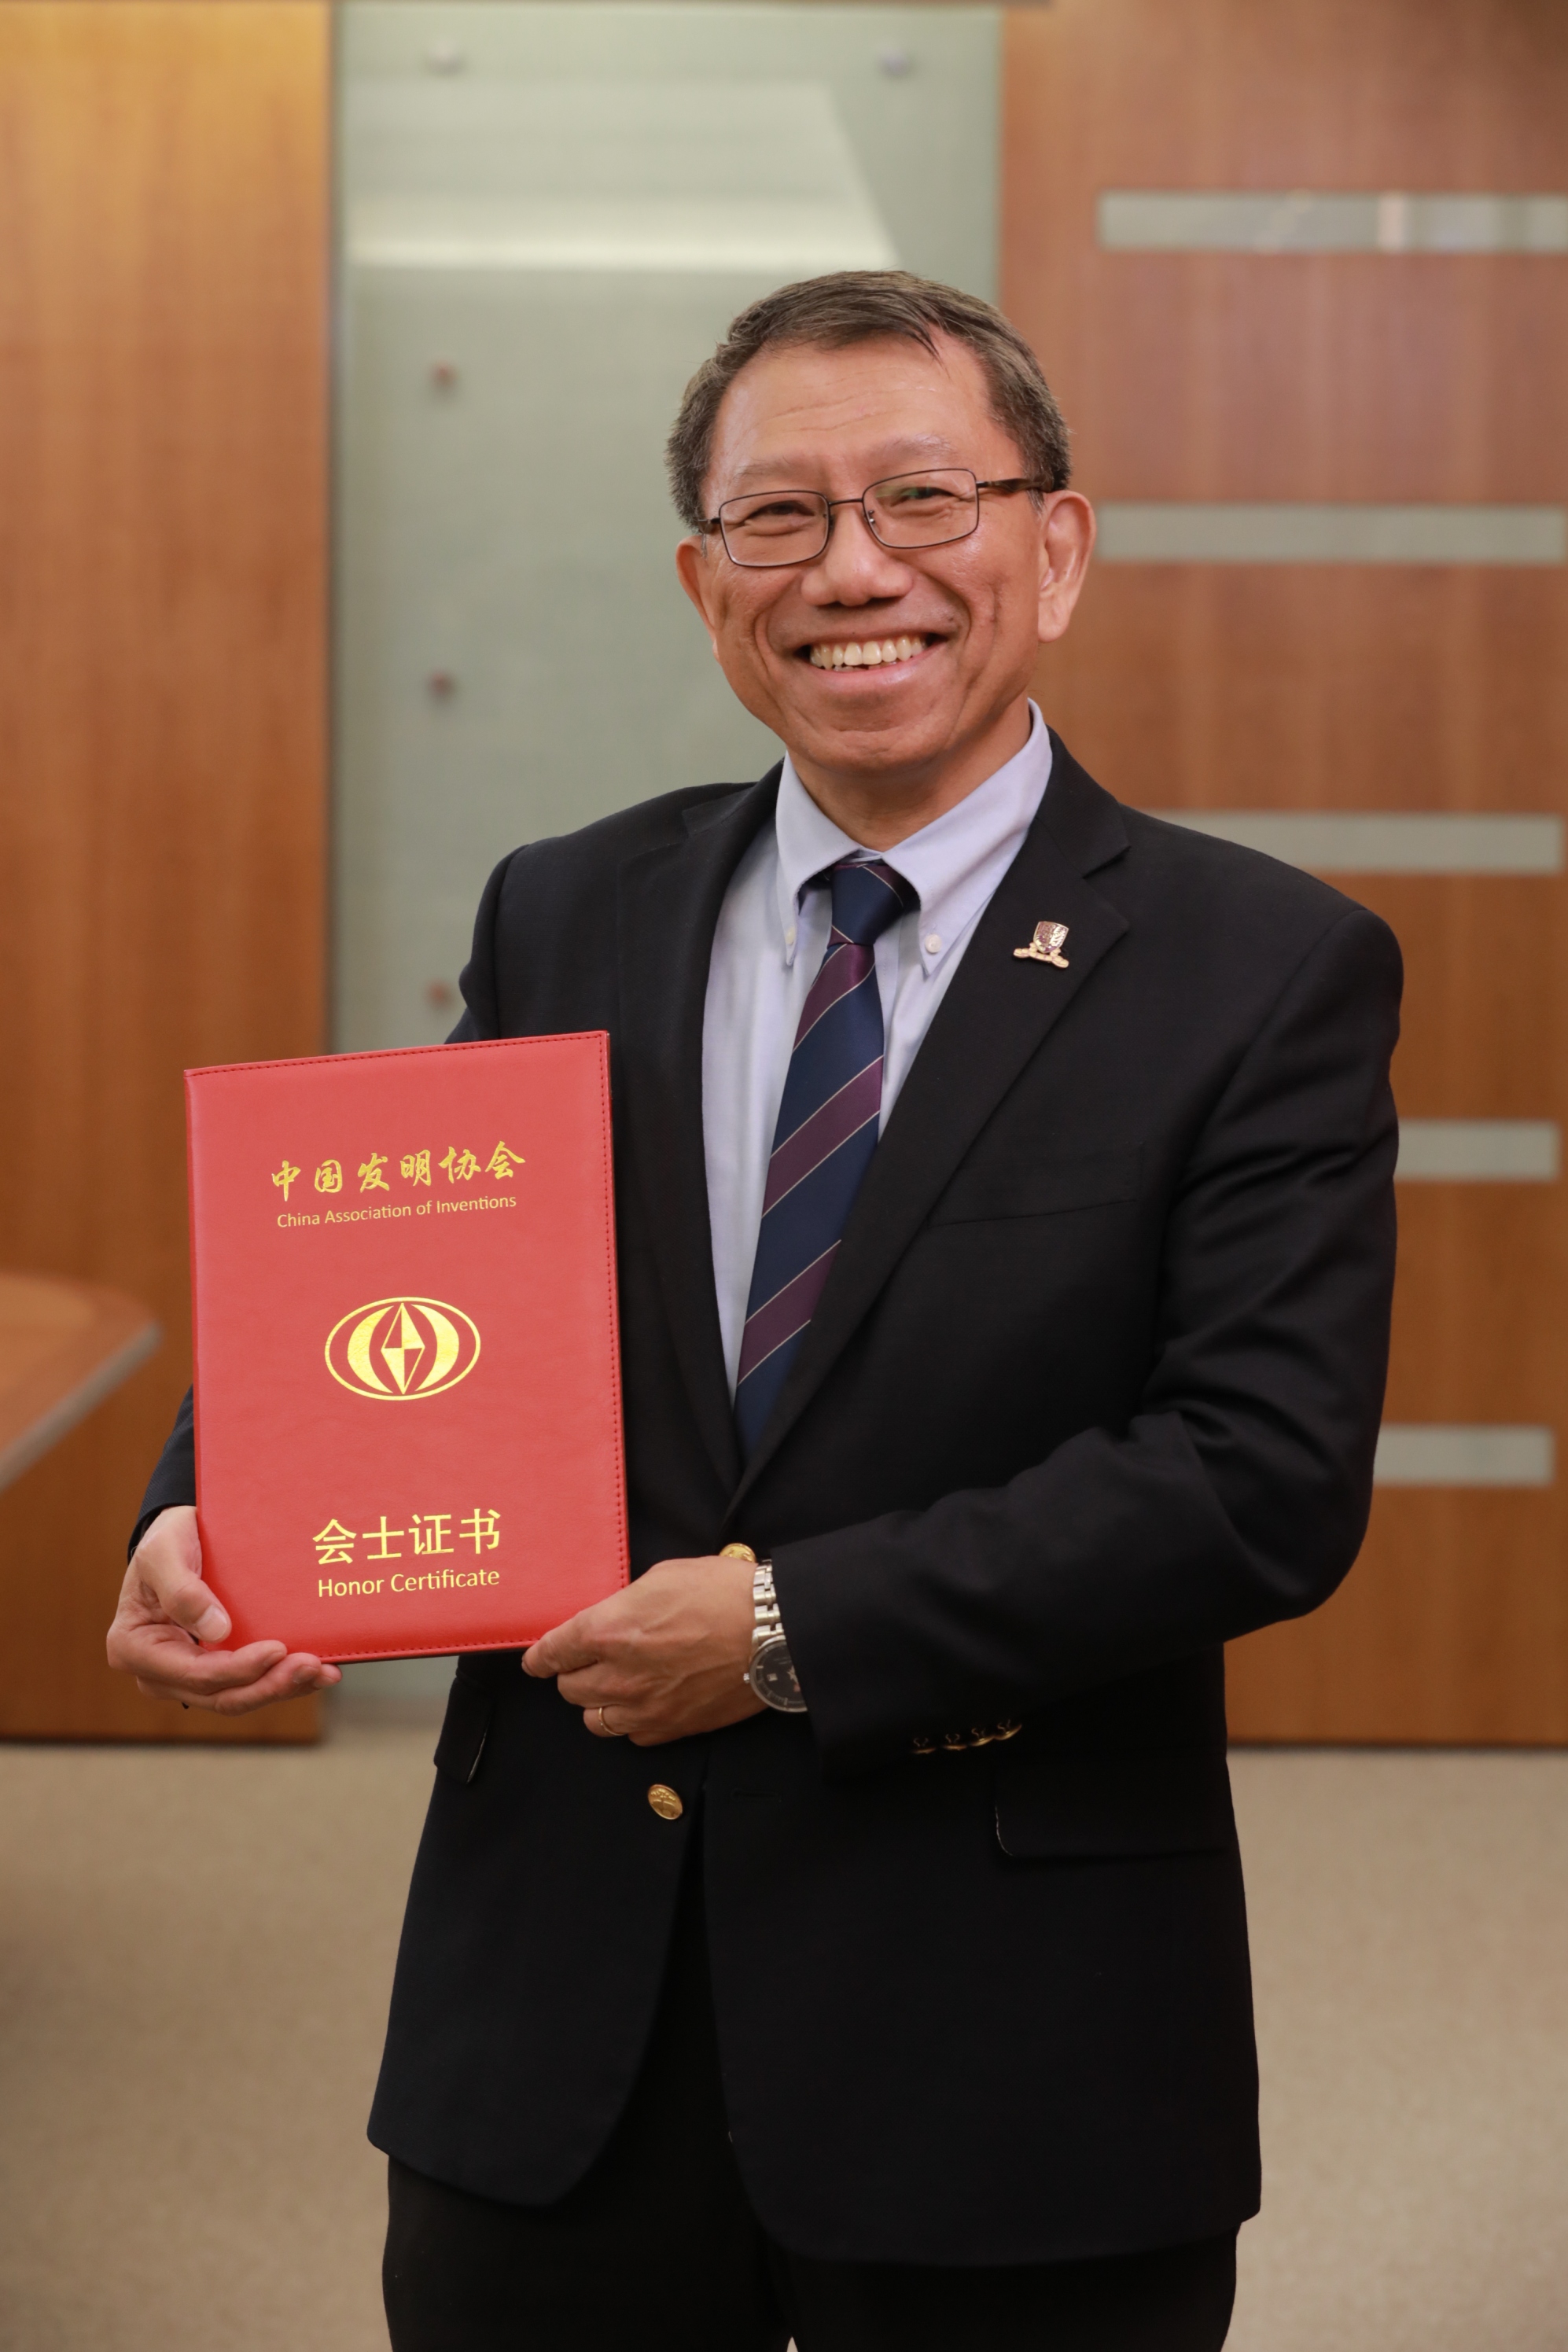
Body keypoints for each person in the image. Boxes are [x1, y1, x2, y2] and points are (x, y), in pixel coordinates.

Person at [109, 271, 1400, 2352]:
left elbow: (1256, 1480)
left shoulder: (1258, 968)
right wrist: (215, 1512)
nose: (850, 570)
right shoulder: (566, 902)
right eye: (777, 519)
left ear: (1052, 549)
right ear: (706, 586)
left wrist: (786, 1630)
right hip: (556, 2010)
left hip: (1000, 2020)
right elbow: (404, 1286)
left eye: (919, 498)